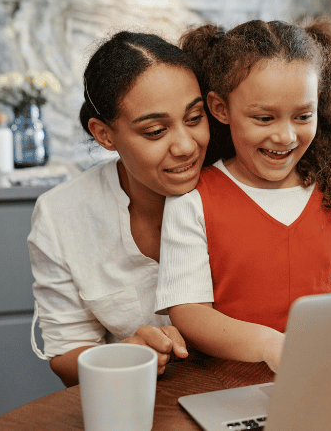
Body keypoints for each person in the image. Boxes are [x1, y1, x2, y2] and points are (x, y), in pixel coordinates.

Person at [155, 17, 331, 373]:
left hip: (324, 379)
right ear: (221, 109)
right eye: (265, 118)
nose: (285, 136)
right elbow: (189, 314)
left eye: (302, 116)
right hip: (222, 389)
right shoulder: (192, 202)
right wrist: (272, 345)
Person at [29, 31, 211, 387]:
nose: (186, 146)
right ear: (104, 135)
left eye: (194, 118)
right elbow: (66, 353)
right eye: (156, 131)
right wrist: (125, 356)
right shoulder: (62, 214)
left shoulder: (241, 188)